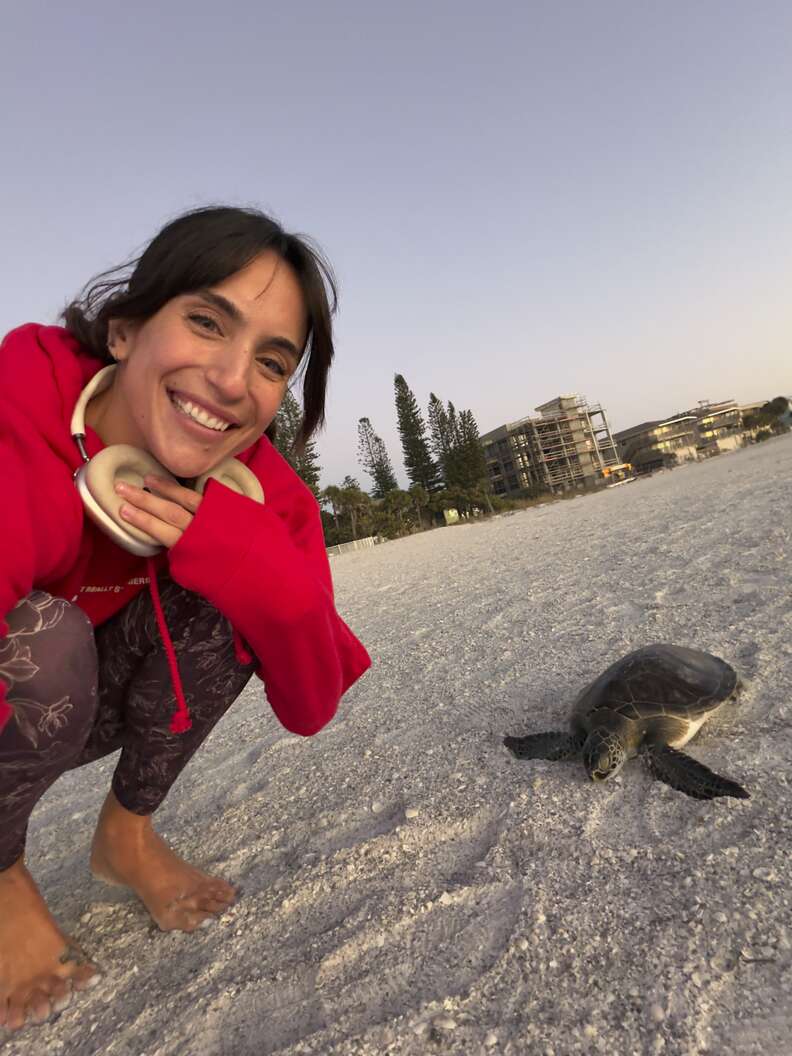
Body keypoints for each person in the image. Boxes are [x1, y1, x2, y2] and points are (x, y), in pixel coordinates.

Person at [0, 206, 371, 1032]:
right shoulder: (16, 413)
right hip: (18, 700)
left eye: (272, 362)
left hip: (93, 702)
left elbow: (311, 706)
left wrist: (244, 556)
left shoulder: (262, 490)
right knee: (47, 640)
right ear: (126, 331)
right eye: (208, 322)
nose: (234, 382)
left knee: (231, 592)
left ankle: (125, 838)